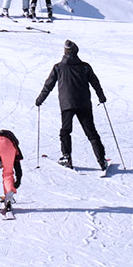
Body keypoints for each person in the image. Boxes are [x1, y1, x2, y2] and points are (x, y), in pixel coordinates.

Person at [35, 39, 108, 170]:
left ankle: (67, 157)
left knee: (65, 131)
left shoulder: (58, 67)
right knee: (91, 132)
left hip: (66, 105)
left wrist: (40, 100)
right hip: (84, 104)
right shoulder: (85, 66)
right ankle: (101, 160)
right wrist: (101, 97)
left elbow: (49, 85)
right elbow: (95, 83)